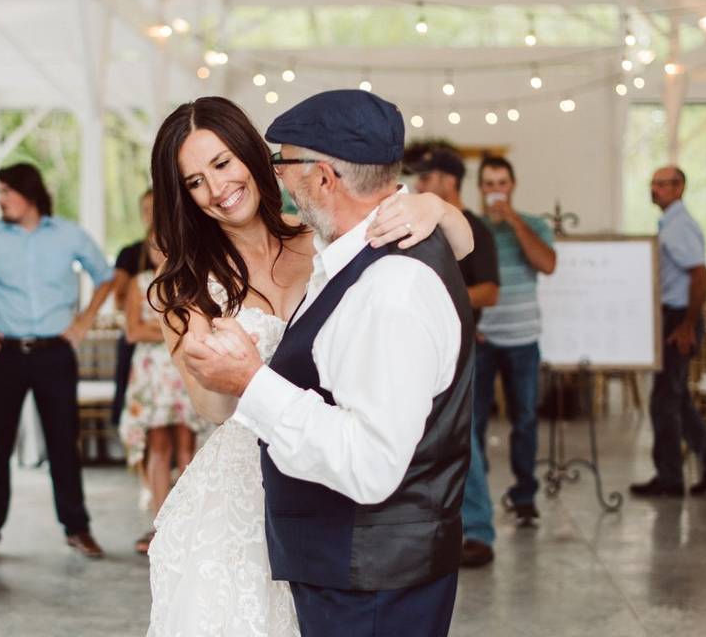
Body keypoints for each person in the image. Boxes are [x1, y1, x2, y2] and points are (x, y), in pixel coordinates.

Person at [144, 95, 474, 636]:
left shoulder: (323, 239)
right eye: (194, 182)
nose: (217, 189)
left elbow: (453, 251)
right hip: (242, 489)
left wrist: (436, 208)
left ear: (257, 157)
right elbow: (215, 410)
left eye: (222, 164)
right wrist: (214, 362)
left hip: (331, 477)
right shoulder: (185, 286)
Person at [0, 163, 114, 560]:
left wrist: (85, 320)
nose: (0, 199)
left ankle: (77, 529)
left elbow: (104, 276)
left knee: (63, 445)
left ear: (29, 193)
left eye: (6, 191)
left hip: (55, 354)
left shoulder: (68, 235)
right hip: (4, 356)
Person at [406, 141, 499, 568]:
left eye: (426, 178)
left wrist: (438, 299)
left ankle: (479, 530)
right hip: (427, 351)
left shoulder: (474, 229)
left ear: (448, 181)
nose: (419, 185)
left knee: (467, 441)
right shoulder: (426, 227)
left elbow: (489, 290)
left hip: (458, 352)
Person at [630, 166, 706, 497]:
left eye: (662, 184)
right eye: (654, 183)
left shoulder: (679, 227)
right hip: (673, 317)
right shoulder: (671, 224)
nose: (655, 189)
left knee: (664, 401)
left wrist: (687, 325)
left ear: (679, 188)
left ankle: (671, 477)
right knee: (674, 398)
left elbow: (700, 275)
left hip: (678, 320)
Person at [473, 155, 556, 525]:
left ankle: (525, 497)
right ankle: (477, 502)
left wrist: (514, 220)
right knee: (473, 423)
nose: (495, 191)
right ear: (480, 188)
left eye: (501, 183)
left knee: (524, 419)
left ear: (512, 185)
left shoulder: (533, 224)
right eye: (489, 184)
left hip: (523, 340)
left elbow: (548, 264)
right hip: (482, 339)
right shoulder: (471, 229)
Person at [118, 234, 206, 554]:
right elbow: (133, 330)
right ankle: (159, 523)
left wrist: (162, 330)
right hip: (152, 374)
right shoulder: (139, 282)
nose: (160, 251)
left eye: (166, 243)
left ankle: (189, 522)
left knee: (186, 447)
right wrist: (172, 331)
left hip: (182, 370)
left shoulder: (192, 279)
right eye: (154, 245)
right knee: (157, 446)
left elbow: (200, 328)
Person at [110, 189, 155, 428]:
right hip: (137, 340)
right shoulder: (130, 254)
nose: (152, 215)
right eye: (147, 210)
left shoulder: (185, 249)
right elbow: (118, 299)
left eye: (157, 209)